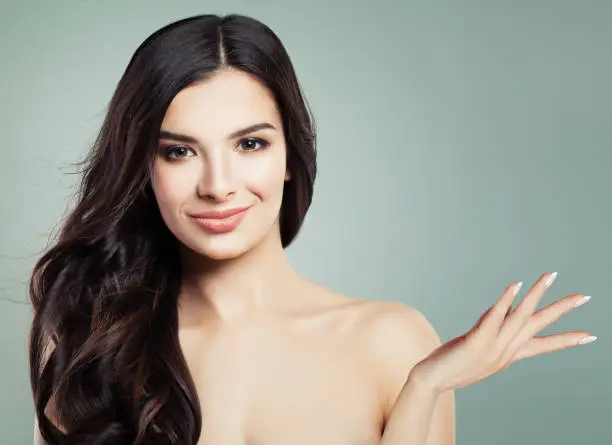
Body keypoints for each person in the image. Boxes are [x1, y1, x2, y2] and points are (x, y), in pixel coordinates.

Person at [29, 13, 595, 445]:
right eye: (179, 152)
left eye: (250, 144)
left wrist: (425, 388)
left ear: (290, 157)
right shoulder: (94, 342)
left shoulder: (389, 341)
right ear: (142, 168)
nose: (218, 184)